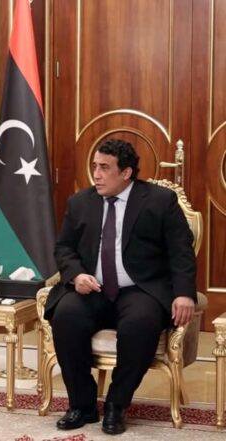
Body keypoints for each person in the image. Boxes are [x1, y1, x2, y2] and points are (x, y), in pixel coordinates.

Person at [45, 139, 196, 435]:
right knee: (66, 315)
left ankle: (116, 404)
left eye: (104, 168)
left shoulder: (160, 201)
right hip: (93, 288)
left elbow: (181, 251)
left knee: (140, 323)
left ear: (126, 173)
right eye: (94, 166)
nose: (96, 174)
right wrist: (76, 275)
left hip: (140, 289)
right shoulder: (80, 202)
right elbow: (64, 248)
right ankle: (82, 405)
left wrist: (183, 293)